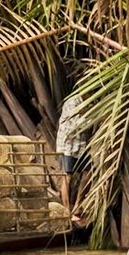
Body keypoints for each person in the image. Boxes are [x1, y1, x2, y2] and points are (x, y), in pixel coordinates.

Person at [55, 93, 88, 221]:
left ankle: (78, 206)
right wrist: (95, 116)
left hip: (81, 145)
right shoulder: (72, 101)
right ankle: (67, 211)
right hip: (67, 145)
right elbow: (75, 124)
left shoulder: (90, 102)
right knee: (67, 176)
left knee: (88, 172)